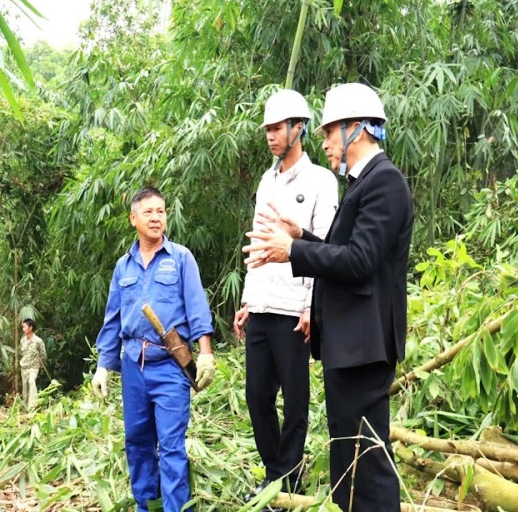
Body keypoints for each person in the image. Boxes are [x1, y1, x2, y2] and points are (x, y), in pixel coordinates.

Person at [243, 83, 414, 511]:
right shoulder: (365, 183)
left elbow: (359, 261)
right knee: (347, 455)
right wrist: (303, 235)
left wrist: (293, 250)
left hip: (364, 345)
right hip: (348, 346)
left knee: (367, 461)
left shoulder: (385, 182)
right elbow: (346, 253)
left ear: (355, 129)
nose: (324, 144)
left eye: (328, 133)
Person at [235, 89, 338, 501]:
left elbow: (324, 246)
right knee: (257, 396)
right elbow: (257, 242)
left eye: (278, 128)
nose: (271, 136)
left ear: (299, 128)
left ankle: (287, 483)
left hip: (295, 307)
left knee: (295, 400)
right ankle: (274, 473)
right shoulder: (266, 180)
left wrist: (312, 304)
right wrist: (246, 300)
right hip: (262, 303)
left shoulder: (320, 181)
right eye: (268, 130)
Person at [91, 186, 216, 512]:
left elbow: (197, 307)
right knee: (137, 443)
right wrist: (103, 365)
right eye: (148, 212)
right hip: (134, 366)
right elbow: (113, 319)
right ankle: (147, 506)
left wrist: (205, 353)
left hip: (171, 366)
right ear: (134, 218)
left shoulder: (180, 259)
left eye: (161, 211)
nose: (156, 217)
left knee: (172, 446)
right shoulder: (124, 266)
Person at [19, 318, 46, 409]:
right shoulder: (22, 340)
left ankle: (33, 406)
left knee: (31, 381)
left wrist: (40, 365)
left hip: (33, 368)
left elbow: (43, 355)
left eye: (24, 327)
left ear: (30, 328)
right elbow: (22, 353)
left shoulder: (38, 341)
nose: (23, 329)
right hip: (24, 367)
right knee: (25, 389)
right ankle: (25, 407)